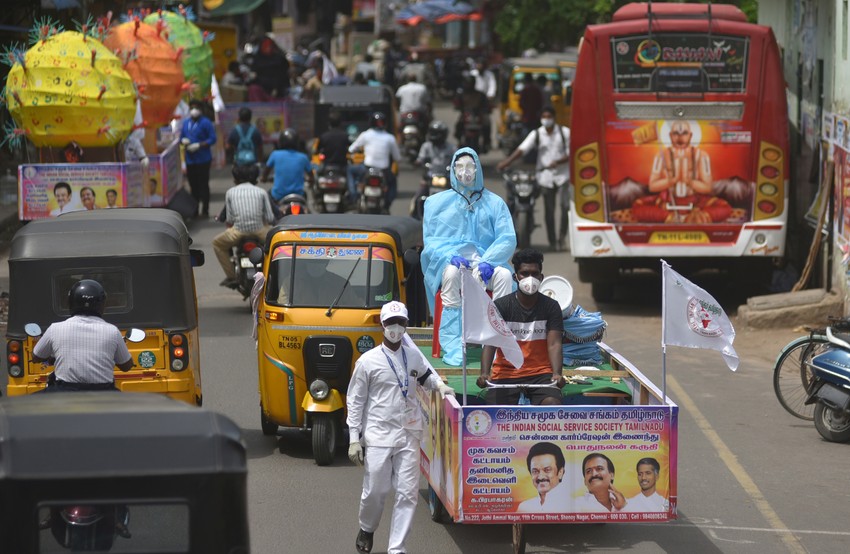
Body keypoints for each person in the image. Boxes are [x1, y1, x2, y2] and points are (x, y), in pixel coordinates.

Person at [347, 301, 454, 554]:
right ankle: (367, 527)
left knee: (408, 494)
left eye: (401, 322)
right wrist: (354, 437)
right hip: (379, 434)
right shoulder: (367, 362)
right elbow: (355, 400)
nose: (395, 328)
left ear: (406, 325)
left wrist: (440, 388)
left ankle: (397, 548)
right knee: (376, 490)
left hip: (409, 433)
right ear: (382, 325)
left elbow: (427, 377)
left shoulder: (414, 356)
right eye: (390, 323)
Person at [422, 147, 516, 366]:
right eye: (460, 167)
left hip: (484, 264)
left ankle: (496, 343)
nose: (465, 172)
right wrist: (450, 256)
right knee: (452, 274)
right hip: (453, 264)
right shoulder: (435, 204)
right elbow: (431, 242)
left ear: (477, 169)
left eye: (469, 167)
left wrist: (489, 260)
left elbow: (507, 237)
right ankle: (453, 344)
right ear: (453, 169)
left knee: (503, 276)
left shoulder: (495, 203)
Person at [477, 248, 565, 404]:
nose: (530, 279)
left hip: (541, 373)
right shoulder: (501, 306)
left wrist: (557, 374)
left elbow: (554, 344)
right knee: (496, 411)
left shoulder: (551, 307)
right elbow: (490, 343)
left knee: (552, 404)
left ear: (541, 277)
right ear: (515, 277)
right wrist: (484, 373)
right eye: (525, 273)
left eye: (535, 274)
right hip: (506, 373)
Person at [31, 279, 134, 391]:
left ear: (71, 302)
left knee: (31, 403)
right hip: (103, 393)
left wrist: (50, 357)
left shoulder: (55, 328)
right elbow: (126, 366)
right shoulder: (113, 331)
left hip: (65, 391)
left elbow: (36, 356)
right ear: (102, 304)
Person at [498, 105, 571, 251]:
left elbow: (571, 152)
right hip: (545, 176)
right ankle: (552, 241)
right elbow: (522, 149)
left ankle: (561, 237)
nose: (546, 120)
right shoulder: (537, 134)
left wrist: (558, 162)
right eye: (544, 117)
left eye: (548, 117)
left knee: (565, 207)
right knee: (549, 211)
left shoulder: (564, 132)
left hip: (563, 176)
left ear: (554, 118)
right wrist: (506, 162)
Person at [213, 164, 275, 289]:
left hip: (238, 232)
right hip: (260, 232)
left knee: (217, 243)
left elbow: (230, 219)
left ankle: (231, 276)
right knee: (276, 246)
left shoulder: (230, 192)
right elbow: (270, 217)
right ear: (255, 178)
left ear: (235, 179)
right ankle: (272, 273)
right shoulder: (261, 192)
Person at [348, 112, 400, 207]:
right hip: (383, 170)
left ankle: (353, 194)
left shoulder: (365, 135)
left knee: (350, 170)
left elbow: (351, 149)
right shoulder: (390, 138)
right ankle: (388, 202)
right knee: (393, 182)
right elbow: (397, 157)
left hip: (367, 168)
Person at [180, 98, 217, 218]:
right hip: (190, 159)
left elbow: (212, 139)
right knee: (193, 185)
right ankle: (194, 210)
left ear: (200, 109)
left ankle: (205, 210)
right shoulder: (186, 123)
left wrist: (200, 145)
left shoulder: (206, 122)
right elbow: (181, 137)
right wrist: (183, 141)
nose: (194, 110)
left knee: (203, 184)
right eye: (192, 108)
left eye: (196, 108)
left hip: (203, 159)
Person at [262, 128, 313, 204]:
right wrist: (310, 181)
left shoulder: (275, 154)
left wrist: (264, 178)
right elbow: (311, 176)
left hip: (278, 196)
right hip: (298, 195)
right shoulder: (303, 157)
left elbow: (265, 173)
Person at [518, 442, 571, 512]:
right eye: (535, 471)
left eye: (547, 470)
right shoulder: (524, 508)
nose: (540, 477)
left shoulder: (572, 506)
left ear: (560, 472)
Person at [412, 121, 456, 206]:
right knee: (417, 198)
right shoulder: (426, 146)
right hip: (429, 178)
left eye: (436, 133)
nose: (434, 135)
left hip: (447, 179)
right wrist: (417, 162)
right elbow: (420, 158)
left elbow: (458, 159)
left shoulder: (451, 148)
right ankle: (415, 215)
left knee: (458, 198)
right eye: (432, 132)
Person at [454, 76, 491, 151]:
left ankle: (486, 142)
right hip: (466, 116)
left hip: (478, 117)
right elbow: (458, 104)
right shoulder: (462, 94)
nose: (469, 85)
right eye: (468, 83)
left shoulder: (480, 95)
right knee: (459, 124)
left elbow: (486, 105)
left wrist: (485, 110)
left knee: (487, 123)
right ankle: (459, 140)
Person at [247, 36, 290, 101]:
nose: (268, 48)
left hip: (278, 92)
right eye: (265, 46)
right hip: (262, 91)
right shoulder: (258, 59)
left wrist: (276, 88)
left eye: (269, 45)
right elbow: (254, 75)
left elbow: (283, 76)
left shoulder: (279, 59)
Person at [519, 72, 544, 137]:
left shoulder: (525, 90)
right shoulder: (536, 89)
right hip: (535, 116)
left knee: (525, 134)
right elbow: (540, 103)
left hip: (526, 116)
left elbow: (521, 103)